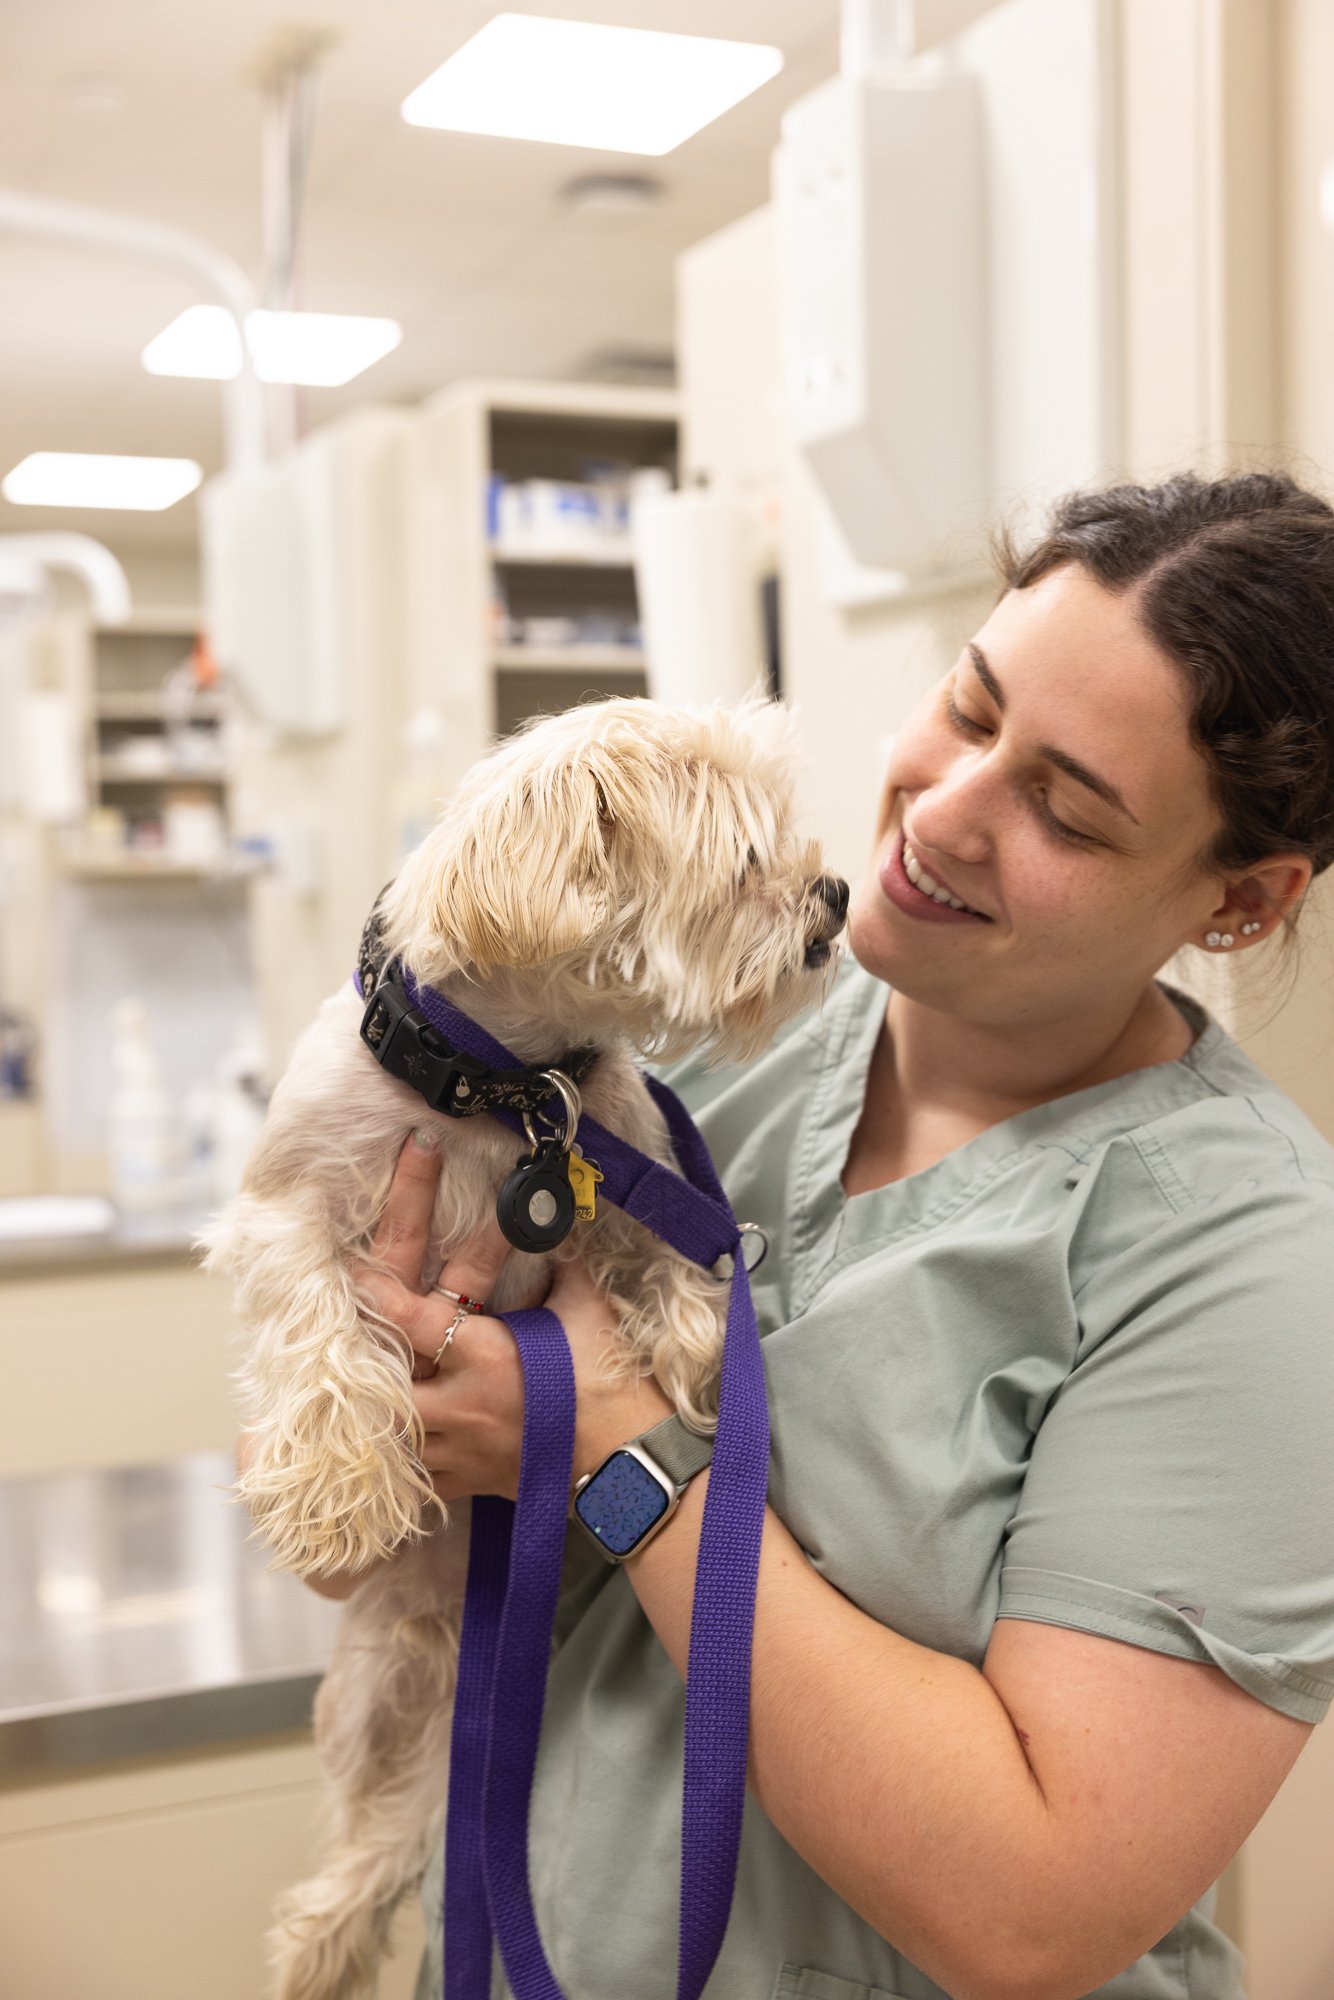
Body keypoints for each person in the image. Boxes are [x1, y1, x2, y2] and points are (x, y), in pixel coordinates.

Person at [318, 469, 1334, 2000]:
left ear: (1240, 903)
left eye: (1061, 805)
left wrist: (609, 1445)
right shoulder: (699, 1032)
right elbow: (396, 1542)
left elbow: (1031, 1916)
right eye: (970, 707)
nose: (944, 810)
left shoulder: (1246, 1265)